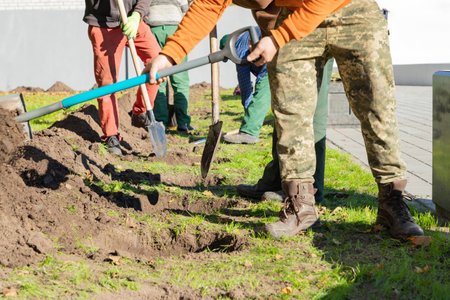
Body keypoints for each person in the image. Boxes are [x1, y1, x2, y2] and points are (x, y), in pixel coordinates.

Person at [143, 0, 424, 240]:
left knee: (376, 108)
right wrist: (170, 55)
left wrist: (278, 37)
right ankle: (301, 205)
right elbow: (208, 5)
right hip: (293, 19)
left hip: (352, 14)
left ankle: (392, 202)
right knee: (290, 111)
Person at [237, 58, 334, 204]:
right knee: (284, 105)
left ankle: (306, 189)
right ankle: (277, 179)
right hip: (289, 44)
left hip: (310, 41)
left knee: (312, 106)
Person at [83, 0, 161, 155]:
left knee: (158, 63)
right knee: (107, 83)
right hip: (104, 25)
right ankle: (111, 135)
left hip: (132, 20)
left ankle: (140, 112)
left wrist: (137, 14)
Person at [144, 0, 194, 132]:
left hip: (153, 29)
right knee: (180, 79)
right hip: (176, 30)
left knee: (157, 78)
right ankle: (182, 122)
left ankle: (160, 122)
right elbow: (186, 10)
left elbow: (143, 7)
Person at [219, 27, 271, 144]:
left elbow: (244, 83)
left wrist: (250, 113)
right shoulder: (245, 37)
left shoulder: (239, 47)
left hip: (270, 58)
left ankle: (249, 132)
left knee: (262, 89)